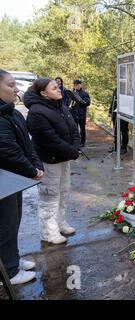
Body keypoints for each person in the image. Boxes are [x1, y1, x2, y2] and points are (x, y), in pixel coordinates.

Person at [24, 77, 81, 245]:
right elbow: (51, 140)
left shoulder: (60, 106)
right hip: (49, 161)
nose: (59, 90)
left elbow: (73, 129)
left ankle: (60, 222)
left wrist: (76, 148)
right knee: (50, 196)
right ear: (44, 93)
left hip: (65, 158)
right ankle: (49, 232)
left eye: (58, 87)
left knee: (63, 191)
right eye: (54, 88)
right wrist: (72, 151)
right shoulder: (37, 112)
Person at [0, 69, 44, 285]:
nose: (16, 88)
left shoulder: (11, 112)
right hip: (4, 181)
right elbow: (8, 150)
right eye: (10, 85)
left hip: (13, 180)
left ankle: (12, 260)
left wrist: (35, 165)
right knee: (5, 225)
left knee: (13, 221)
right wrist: (32, 170)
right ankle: (8, 273)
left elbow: (27, 142)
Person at [69, 79, 90, 147]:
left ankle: (82, 142)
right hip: (73, 113)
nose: (76, 86)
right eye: (75, 85)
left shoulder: (84, 93)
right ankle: (75, 141)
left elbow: (87, 103)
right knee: (74, 128)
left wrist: (80, 100)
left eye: (77, 85)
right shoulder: (72, 92)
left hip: (81, 114)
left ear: (80, 85)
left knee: (82, 128)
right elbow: (69, 102)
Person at [108, 88, 128, 155]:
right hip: (115, 114)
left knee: (124, 131)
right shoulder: (116, 89)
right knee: (116, 131)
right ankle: (116, 147)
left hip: (124, 114)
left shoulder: (128, 89)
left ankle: (124, 147)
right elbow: (113, 101)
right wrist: (110, 111)